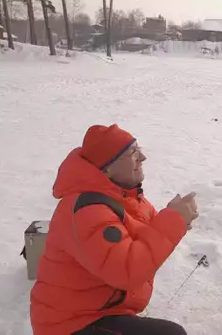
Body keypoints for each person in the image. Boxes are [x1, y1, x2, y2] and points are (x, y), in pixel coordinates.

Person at [30, 124, 198, 335]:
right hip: (70, 324)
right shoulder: (86, 210)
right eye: (132, 153)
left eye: (139, 148)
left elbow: (145, 235)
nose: (143, 157)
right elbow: (127, 269)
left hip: (100, 311)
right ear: (106, 168)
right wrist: (172, 222)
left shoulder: (125, 197)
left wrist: (176, 219)